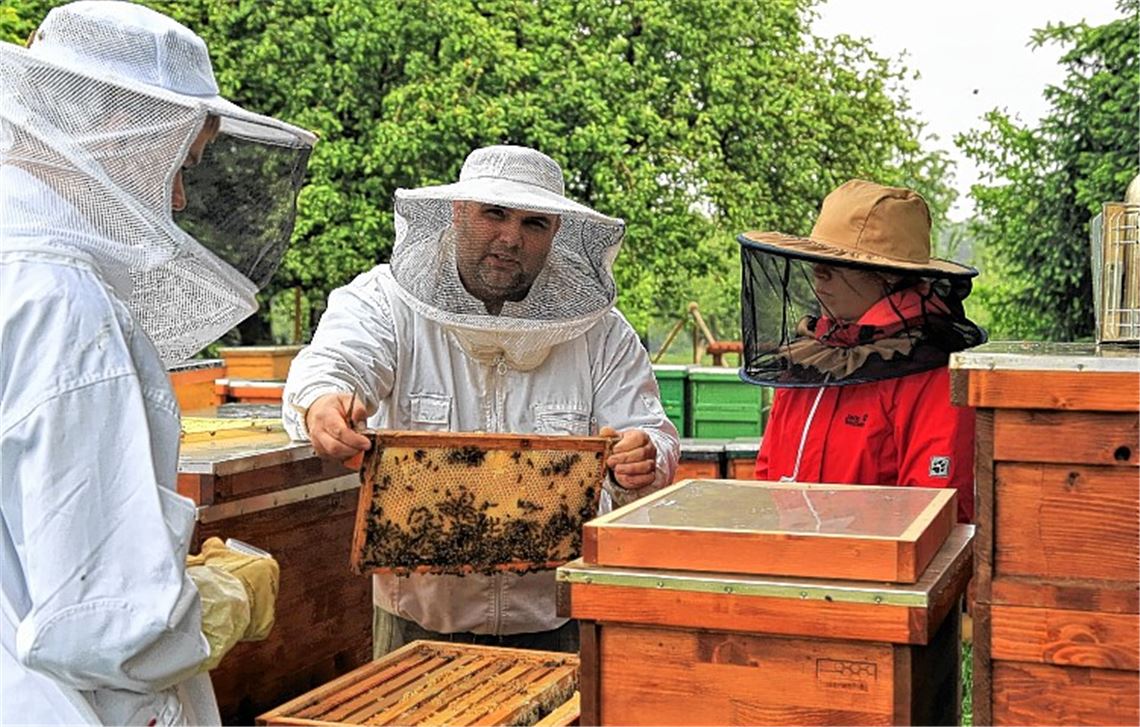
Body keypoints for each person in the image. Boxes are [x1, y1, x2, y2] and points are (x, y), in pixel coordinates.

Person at [0, 2, 316, 724]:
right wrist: (215, 601)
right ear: (119, 130)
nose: (178, 197)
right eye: (186, 163)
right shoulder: (62, 305)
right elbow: (107, 626)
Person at [283, 144, 680, 655]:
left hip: (559, 623)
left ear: (555, 233)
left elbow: (652, 432)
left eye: (534, 223)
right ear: (457, 211)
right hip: (417, 624)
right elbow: (333, 364)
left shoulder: (601, 335)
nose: (510, 237)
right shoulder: (385, 303)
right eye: (495, 213)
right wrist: (323, 402)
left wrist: (642, 455)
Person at [737, 179, 986, 523]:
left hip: (877, 570)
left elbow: (935, 517)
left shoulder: (931, 375)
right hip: (792, 564)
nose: (817, 272)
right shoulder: (809, 357)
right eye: (817, 258)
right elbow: (767, 478)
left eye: (840, 263)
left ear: (890, 276)